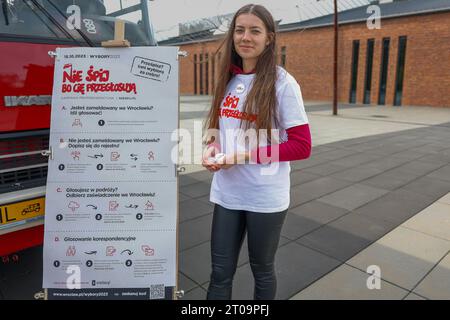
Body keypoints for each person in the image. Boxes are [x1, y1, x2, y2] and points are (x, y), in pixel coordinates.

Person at [202, 4, 312, 300]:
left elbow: (302, 146)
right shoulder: (229, 79)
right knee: (219, 272)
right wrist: (212, 150)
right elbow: (220, 129)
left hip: (265, 196)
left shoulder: (283, 83)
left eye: (254, 30)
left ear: (269, 38)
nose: (245, 37)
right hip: (228, 193)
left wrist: (242, 156)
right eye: (239, 30)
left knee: (262, 269)